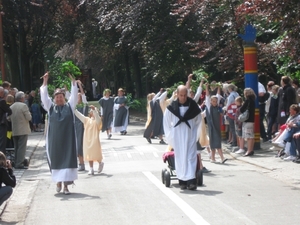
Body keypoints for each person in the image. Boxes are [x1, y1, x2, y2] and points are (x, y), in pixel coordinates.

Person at [40, 72, 78, 195]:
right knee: (57, 161)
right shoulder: (50, 107)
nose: (59, 98)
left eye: (61, 96)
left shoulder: (70, 107)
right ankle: (58, 182)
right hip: (55, 141)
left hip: (68, 140)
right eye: (57, 97)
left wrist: (73, 83)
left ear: (64, 97)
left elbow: (74, 96)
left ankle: (66, 186)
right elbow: (44, 97)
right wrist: (45, 82)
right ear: (54, 99)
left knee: (68, 162)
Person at [163, 85, 201, 190]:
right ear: (177, 94)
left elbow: (198, 121)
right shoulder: (172, 107)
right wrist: (171, 135)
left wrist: (194, 133)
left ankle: (191, 180)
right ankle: (182, 181)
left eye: (185, 95)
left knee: (191, 157)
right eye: (181, 95)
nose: (183, 97)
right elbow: (166, 122)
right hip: (178, 136)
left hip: (190, 136)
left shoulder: (193, 106)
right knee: (180, 157)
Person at [75, 105, 104, 175]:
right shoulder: (87, 120)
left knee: (95, 153)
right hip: (87, 139)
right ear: (90, 113)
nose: (93, 112)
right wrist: (74, 109)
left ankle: (100, 162)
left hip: (95, 140)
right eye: (92, 111)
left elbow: (97, 119)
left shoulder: (98, 121)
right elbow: (79, 115)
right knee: (89, 154)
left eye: (95, 111)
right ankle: (91, 169)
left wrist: (95, 110)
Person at [204, 83, 227, 163]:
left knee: (214, 143)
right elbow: (207, 96)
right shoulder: (209, 107)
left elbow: (218, 95)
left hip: (217, 128)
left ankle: (213, 158)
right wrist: (206, 87)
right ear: (210, 102)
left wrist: (218, 87)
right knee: (216, 143)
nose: (215, 102)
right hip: (212, 127)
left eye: (216, 101)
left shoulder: (218, 108)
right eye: (213, 101)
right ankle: (222, 158)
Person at [8, 91, 32, 169]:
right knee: (22, 147)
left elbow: (8, 118)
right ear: (22, 98)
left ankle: (16, 161)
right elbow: (29, 118)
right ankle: (19, 164)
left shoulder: (11, 107)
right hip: (23, 130)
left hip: (15, 130)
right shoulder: (23, 106)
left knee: (16, 147)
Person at [75, 80, 89, 171]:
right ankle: (80, 163)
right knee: (76, 146)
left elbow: (83, 96)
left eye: (78, 97)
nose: (77, 99)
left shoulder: (83, 106)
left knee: (81, 145)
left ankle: (82, 163)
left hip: (82, 128)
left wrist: (79, 85)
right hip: (75, 128)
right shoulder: (73, 107)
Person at [240, 88, 256, 156]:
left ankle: (248, 151)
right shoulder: (253, 100)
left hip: (247, 120)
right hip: (252, 120)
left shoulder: (247, 100)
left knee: (248, 137)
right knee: (251, 136)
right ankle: (251, 149)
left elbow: (241, 109)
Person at [0, 87, 12, 155]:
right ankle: (2, 160)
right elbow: (9, 111)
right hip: (1, 124)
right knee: (2, 143)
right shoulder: (2, 101)